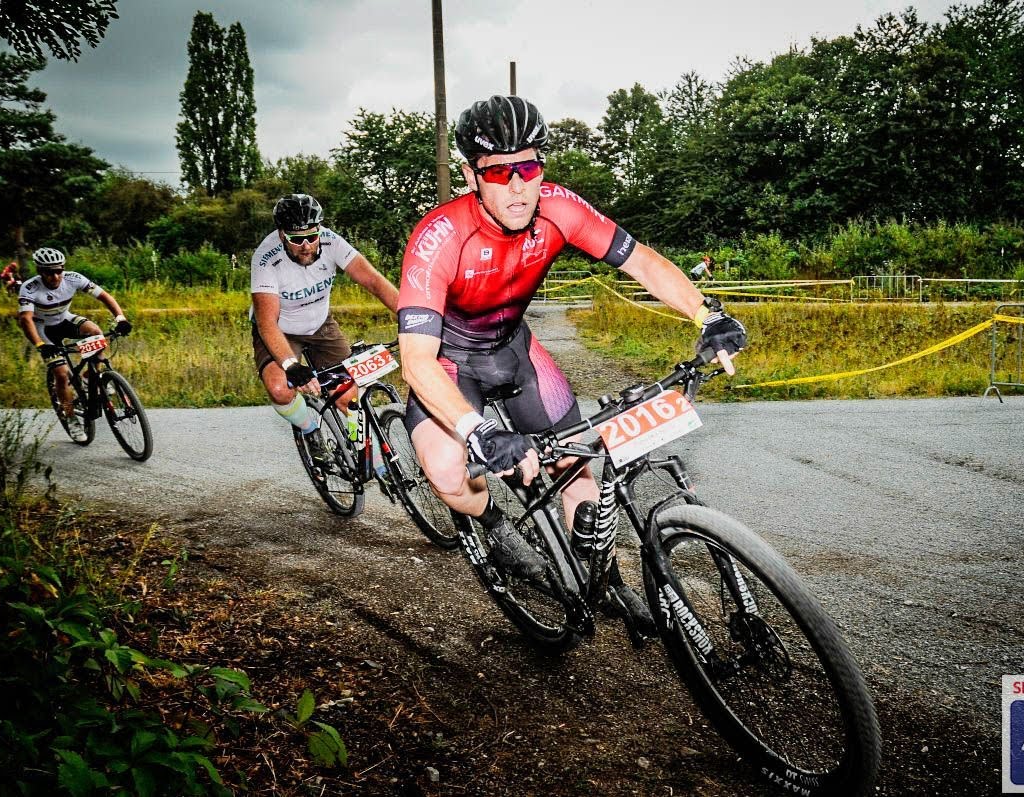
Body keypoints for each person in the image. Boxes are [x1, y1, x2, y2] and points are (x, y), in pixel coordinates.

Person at [396, 95, 747, 626]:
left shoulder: (560, 208)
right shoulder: (438, 238)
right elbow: (416, 361)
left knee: (575, 459)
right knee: (447, 473)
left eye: (529, 166)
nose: (517, 185)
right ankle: (494, 522)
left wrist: (707, 314)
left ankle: (606, 577)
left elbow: (644, 263)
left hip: (514, 348)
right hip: (451, 362)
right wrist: (477, 432)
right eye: (499, 171)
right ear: (471, 176)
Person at [250, 194, 399, 466]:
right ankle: (311, 430)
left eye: (312, 236)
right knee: (279, 387)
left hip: (320, 324)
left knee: (347, 396)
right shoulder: (266, 259)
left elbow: (374, 282)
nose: (306, 246)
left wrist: (412, 318)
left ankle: (374, 462)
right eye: (297, 239)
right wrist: (291, 364)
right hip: (281, 330)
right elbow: (267, 323)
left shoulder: (332, 242)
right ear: (282, 235)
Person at [17, 247, 131, 429]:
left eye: (58, 270)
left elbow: (104, 297)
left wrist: (120, 318)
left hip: (64, 319)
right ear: (39, 271)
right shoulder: (30, 288)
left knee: (97, 334)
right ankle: (70, 419)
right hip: (43, 329)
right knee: (61, 375)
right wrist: (40, 344)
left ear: (63, 268)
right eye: (49, 272)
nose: (55, 276)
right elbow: (25, 319)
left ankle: (87, 377)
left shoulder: (73, 278)